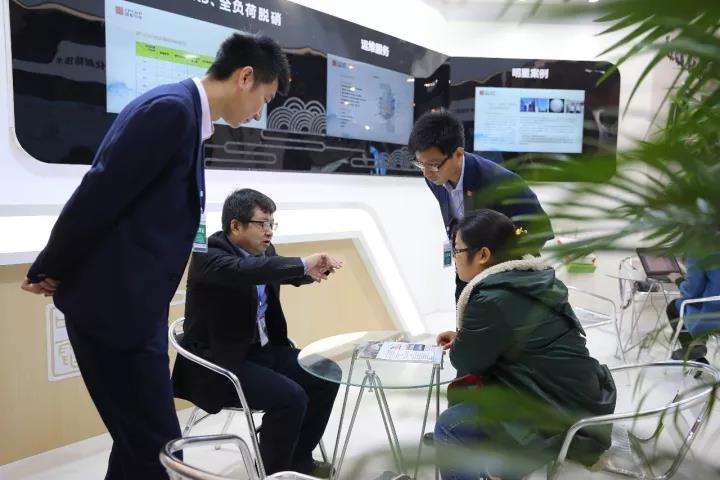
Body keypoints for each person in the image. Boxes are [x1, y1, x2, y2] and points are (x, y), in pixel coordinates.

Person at [20, 34, 291, 479]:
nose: (259, 112)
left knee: (138, 445)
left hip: (134, 312)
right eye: (264, 98)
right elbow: (100, 194)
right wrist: (51, 267)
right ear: (245, 77)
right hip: (115, 315)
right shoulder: (171, 111)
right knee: (160, 450)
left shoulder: (186, 117)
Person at [434, 209, 616, 480]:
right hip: (583, 395)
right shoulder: (535, 279)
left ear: (483, 255)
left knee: (449, 426)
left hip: (555, 409)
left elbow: (465, 361)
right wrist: (468, 336)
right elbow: (511, 335)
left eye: (458, 250)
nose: (455, 259)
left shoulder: (491, 298)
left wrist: (466, 339)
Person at [172, 188, 342, 477]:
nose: (269, 231)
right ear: (235, 226)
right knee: (291, 398)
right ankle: (272, 472)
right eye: (262, 224)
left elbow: (270, 271)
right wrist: (304, 262)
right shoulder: (208, 256)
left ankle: (297, 459)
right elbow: (244, 271)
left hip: (262, 353)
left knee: (326, 375)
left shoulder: (264, 252)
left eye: (272, 224)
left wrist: (307, 274)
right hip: (220, 362)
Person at [408, 110, 554, 299]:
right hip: (467, 266)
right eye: (421, 164)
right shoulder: (435, 178)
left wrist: (499, 256)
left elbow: (539, 228)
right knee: (465, 310)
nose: (427, 173)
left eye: (434, 165)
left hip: (506, 277)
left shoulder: (500, 182)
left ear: (458, 154)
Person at [665, 255, 720, 363]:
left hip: (713, 316)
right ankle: (698, 352)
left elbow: (691, 291)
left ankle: (696, 348)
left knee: (673, 307)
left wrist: (678, 280)